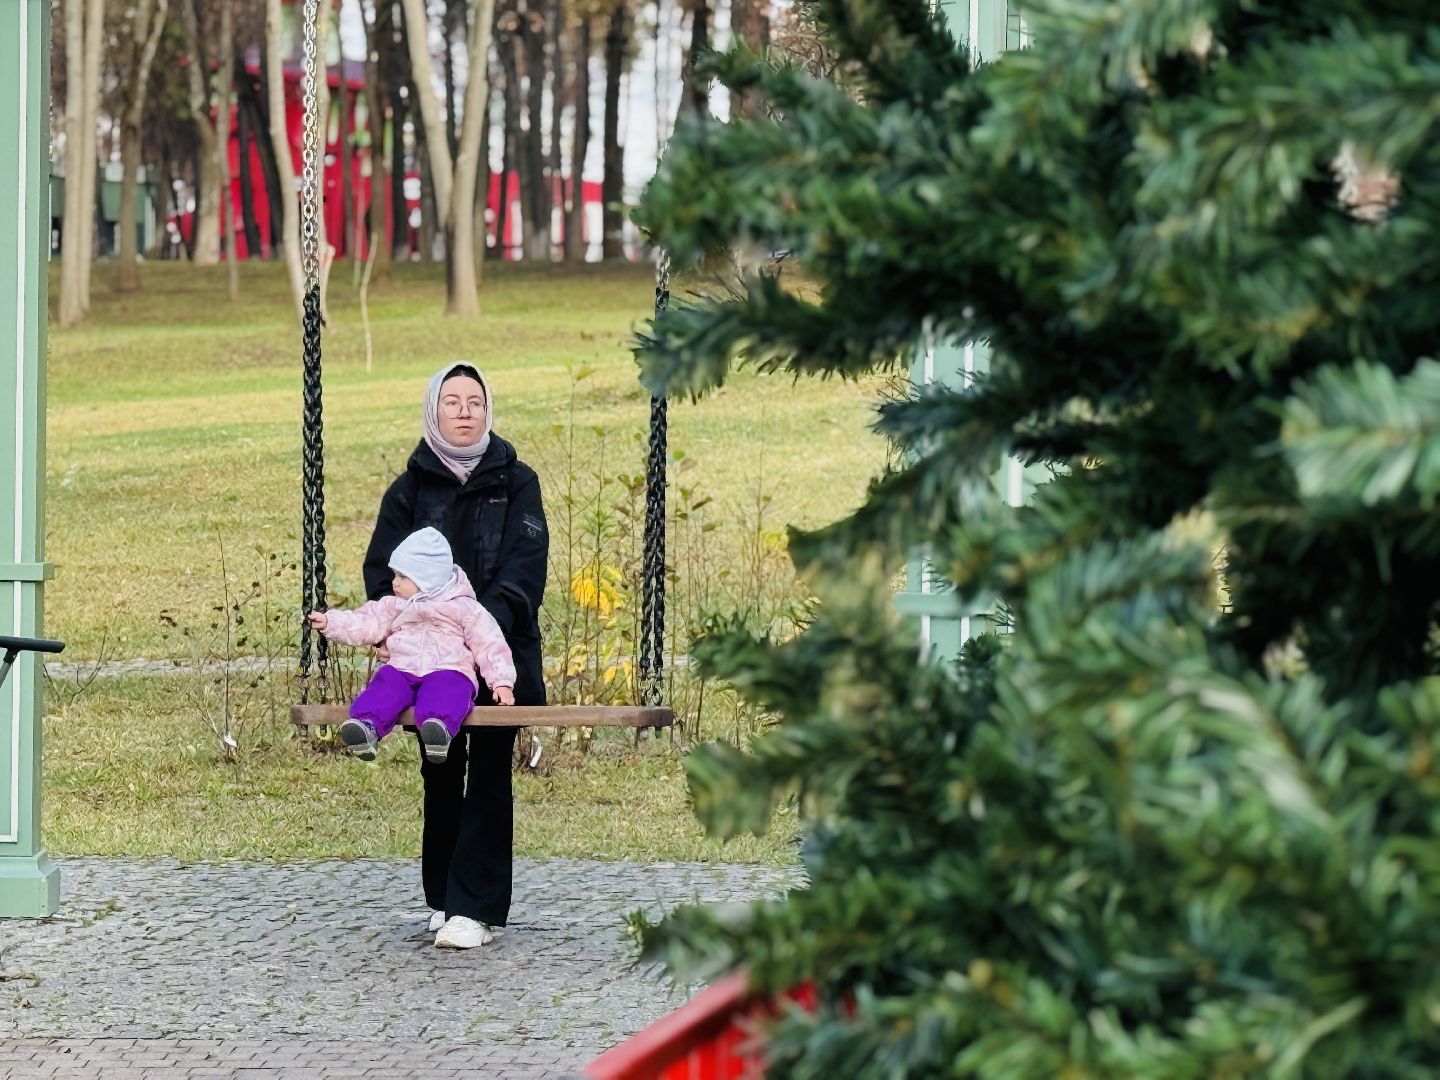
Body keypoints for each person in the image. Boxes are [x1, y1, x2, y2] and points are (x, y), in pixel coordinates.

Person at [362, 362, 548, 950]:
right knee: (440, 772)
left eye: (474, 401)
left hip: (499, 658)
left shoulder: (518, 481)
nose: (465, 411)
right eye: (452, 401)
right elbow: (382, 574)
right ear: (433, 411)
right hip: (427, 664)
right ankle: (444, 896)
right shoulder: (409, 490)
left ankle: (478, 908)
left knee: (489, 774)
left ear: (488, 410)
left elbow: (526, 564)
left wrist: (481, 623)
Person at [306, 526, 516, 764]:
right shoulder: (393, 606)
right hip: (402, 668)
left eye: (403, 577)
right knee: (385, 684)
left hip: (448, 667)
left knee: (448, 689)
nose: (394, 583)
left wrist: (501, 682)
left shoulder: (464, 608)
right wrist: (329, 622)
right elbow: (364, 622)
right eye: (395, 575)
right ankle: (366, 727)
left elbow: (490, 643)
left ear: (427, 578)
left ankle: (438, 731)